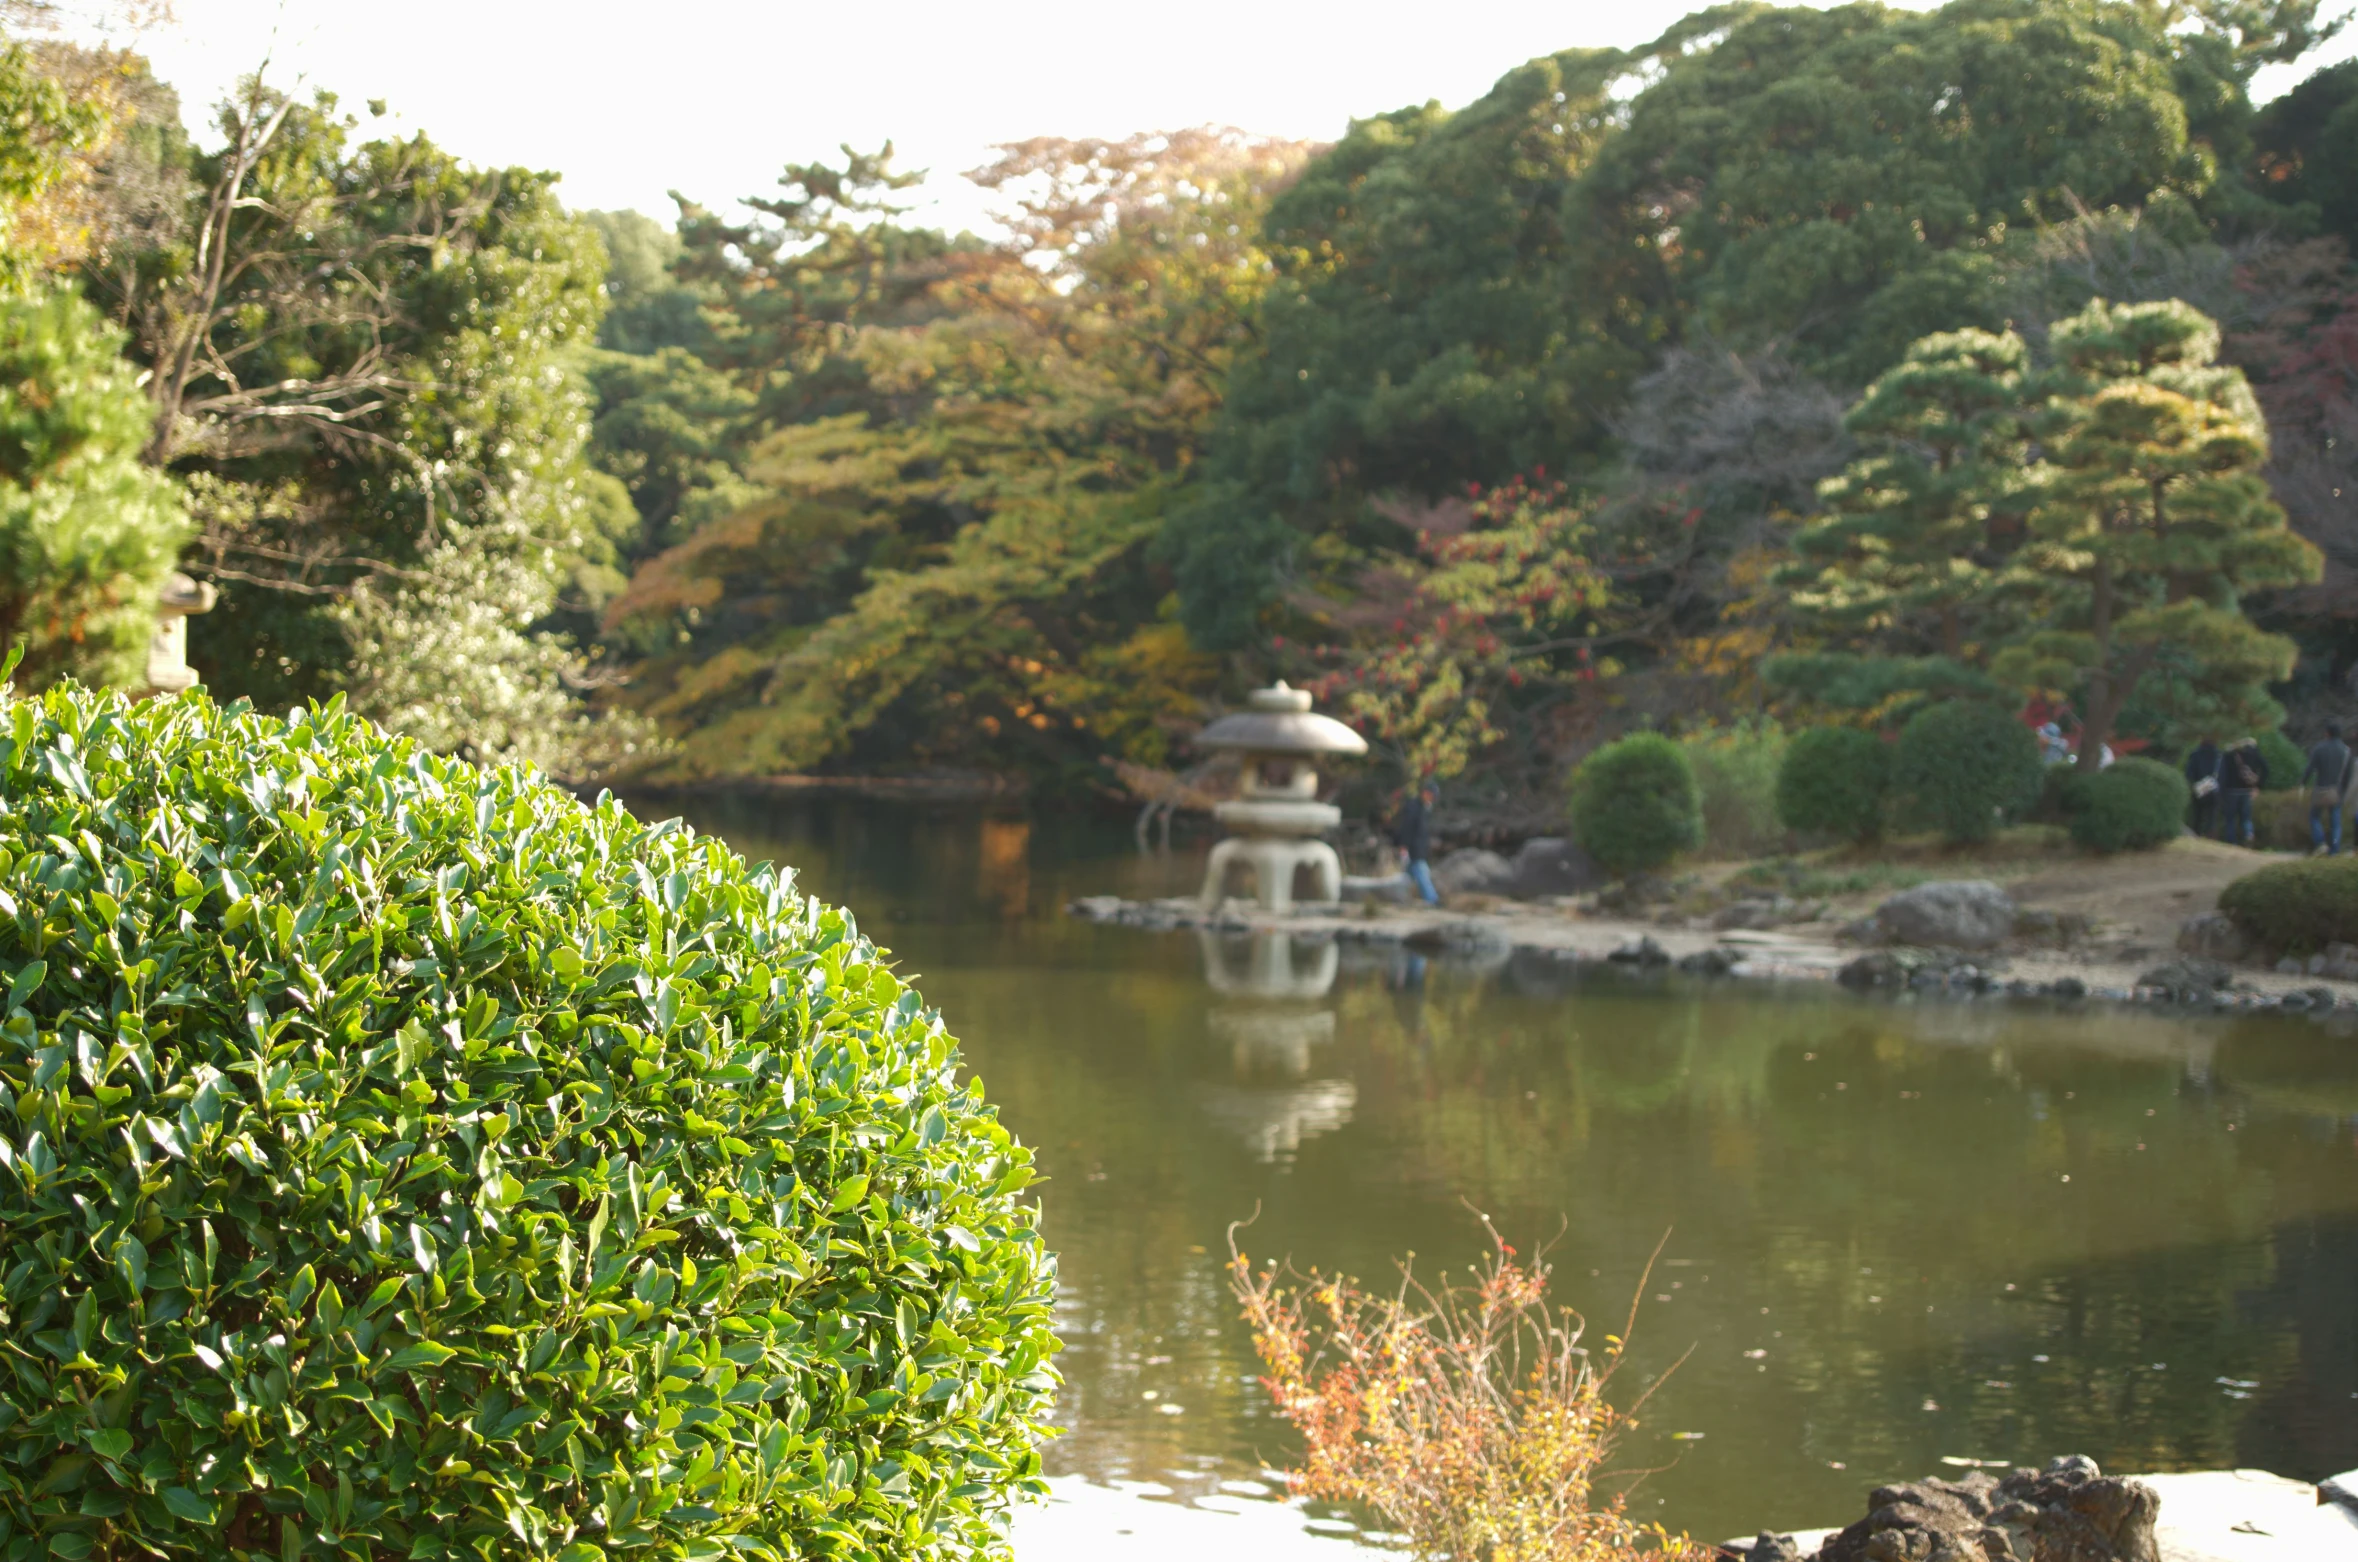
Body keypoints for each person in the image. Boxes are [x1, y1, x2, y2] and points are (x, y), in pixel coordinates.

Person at [2303, 724, 2354, 856]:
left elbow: (2310, 768)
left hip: (2320, 789)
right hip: (2336, 791)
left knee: (2314, 817)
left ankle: (2320, 843)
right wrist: (2343, 792)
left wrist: (2302, 782)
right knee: (2335, 822)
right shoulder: (2346, 751)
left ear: (2327, 733)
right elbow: (2348, 775)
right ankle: (2335, 849)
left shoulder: (2319, 748)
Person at [1391, 778, 1441, 905]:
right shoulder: (1413, 807)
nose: (1433, 799)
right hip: (1413, 849)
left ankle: (1401, 899)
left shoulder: (1424, 808)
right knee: (1422, 873)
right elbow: (1406, 828)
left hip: (1419, 848)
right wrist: (1403, 846)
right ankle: (1432, 900)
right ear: (1425, 793)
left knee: (1409, 876)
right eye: (1432, 795)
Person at [2221, 737, 2265, 847]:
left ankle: (2232, 842)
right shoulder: (2255, 754)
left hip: (2231, 791)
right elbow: (2266, 768)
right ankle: (2248, 834)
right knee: (2246, 818)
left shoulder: (2229, 755)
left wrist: (2222, 790)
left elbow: (2222, 773)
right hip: (2247, 790)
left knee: (2230, 819)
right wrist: (2258, 785)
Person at [2184, 735, 2221, 839]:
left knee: (2197, 815)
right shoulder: (2218, 754)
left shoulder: (2195, 754)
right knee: (2212, 816)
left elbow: (2189, 773)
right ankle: (2210, 835)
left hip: (2198, 788)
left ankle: (2196, 835)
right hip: (2213, 788)